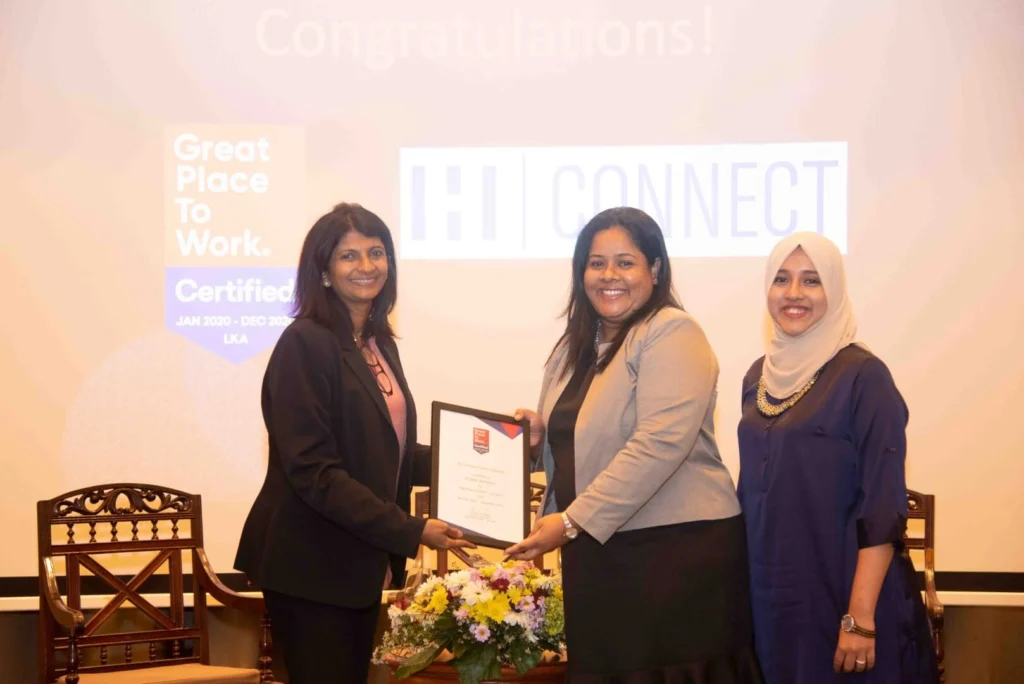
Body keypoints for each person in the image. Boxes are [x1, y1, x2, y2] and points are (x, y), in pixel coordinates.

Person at [505, 207, 763, 683]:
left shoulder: (671, 331)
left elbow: (660, 443)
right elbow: (585, 442)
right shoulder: (572, 348)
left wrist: (571, 521)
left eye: (625, 262)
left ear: (655, 269)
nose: (609, 276)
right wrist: (538, 442)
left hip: (673, 557)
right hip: (600, 554)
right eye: (596, 262)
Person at [234, 203, 474, 683]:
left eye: (376, 252)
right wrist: (411, 530)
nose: (366, 266)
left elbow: (394, 451)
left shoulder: (378, 345)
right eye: (348, 256)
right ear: (322, 271)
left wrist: (498, 452)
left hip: (357, 564)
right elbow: (314, 472)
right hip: (313, 565)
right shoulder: (305, 343)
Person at [736, 232, 939, 683]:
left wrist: (859, 619)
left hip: (843, 596)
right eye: (781, 279)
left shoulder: (865, 377)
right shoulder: (757, 377)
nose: (793, 294)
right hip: (774, 603)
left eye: (812, 281)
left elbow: (882, 508)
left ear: (835, 289)